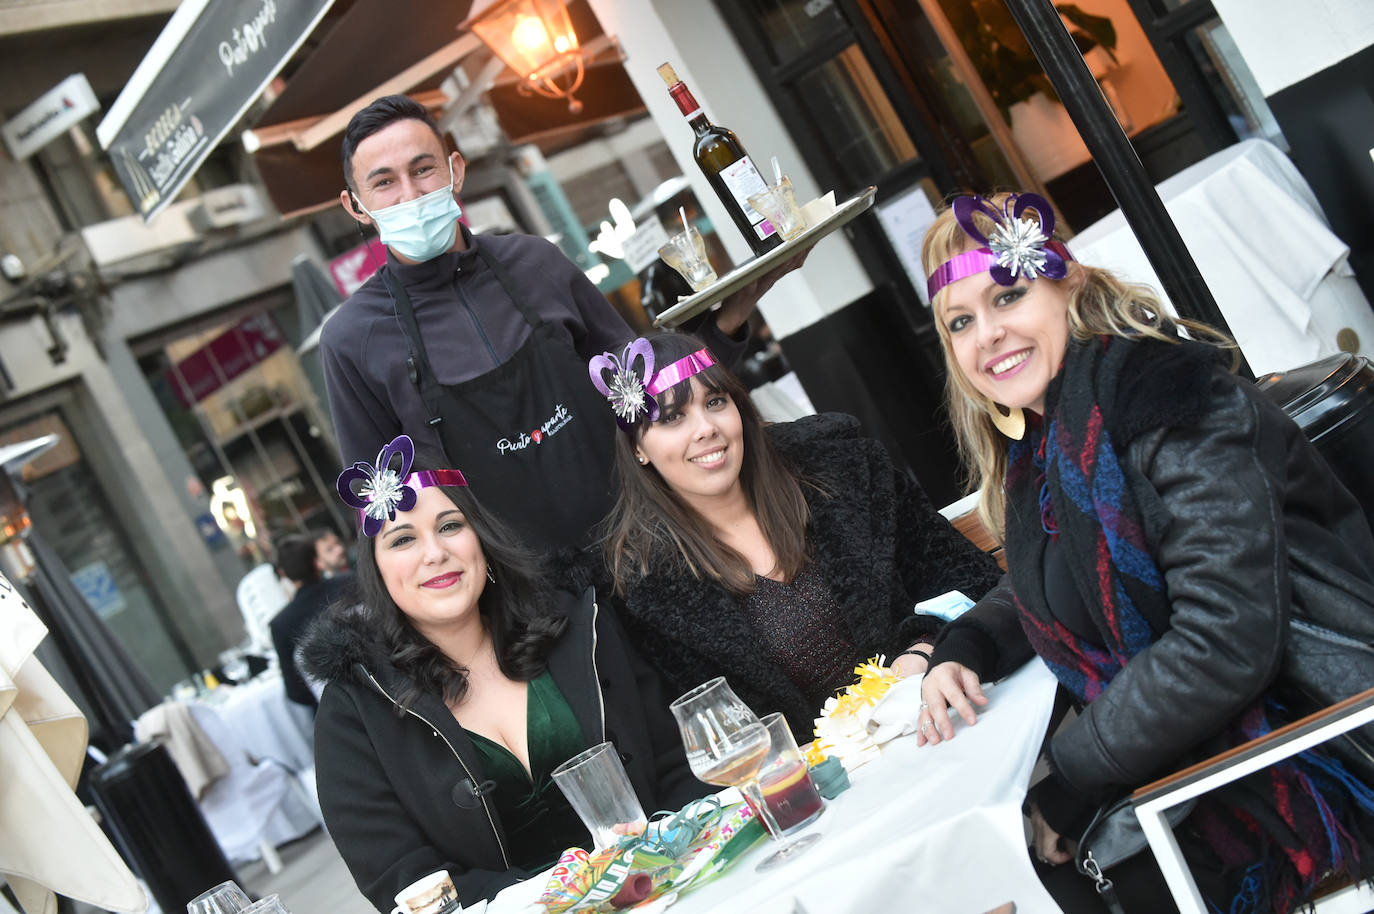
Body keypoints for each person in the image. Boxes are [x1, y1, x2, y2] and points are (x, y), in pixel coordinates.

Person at [915, 192, 1374, 913]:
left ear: (1066, 281)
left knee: (1022, 881)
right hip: (1214, 753)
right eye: (961, 322)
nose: (989, 335)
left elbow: (1224, 639)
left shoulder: (1169, 402)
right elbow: (1059, 568)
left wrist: (1075, 776)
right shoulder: (1049, 442)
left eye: (1009, 296)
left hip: (1317, 743)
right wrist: (966, 643)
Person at [321, 95, 798, 552]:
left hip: (646, 544)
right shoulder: (351, 340)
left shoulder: (536, 263)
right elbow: (383, 512)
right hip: (527, 607)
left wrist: (731, 319)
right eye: (384, 183)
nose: (410, 194)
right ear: (355, 206)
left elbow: (648, 393)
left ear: (455, 170)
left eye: (423, 169)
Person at [300, 436, 704, 910]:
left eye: (450, 526)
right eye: (403, 539)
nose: (435, 553)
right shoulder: (356, 710)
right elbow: (405, 882)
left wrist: (682, 864)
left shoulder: (578, 628)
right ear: (377, 570)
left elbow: (678, 761)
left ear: (481, 541)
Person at [589, 331, 1004, 737]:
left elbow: (966, 576)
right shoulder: (645, 586)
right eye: (673, 417)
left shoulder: (846, 477)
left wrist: (925, 646)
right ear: (638, 448)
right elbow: (707, 733)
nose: (705, 428)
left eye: (715, 402)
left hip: (952, 715)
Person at [270, 530, 354, 710]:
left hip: (337, 712)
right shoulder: (350, 583)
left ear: (282, 573)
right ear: (317, 561)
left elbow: (296, 692)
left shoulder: (281, 624)